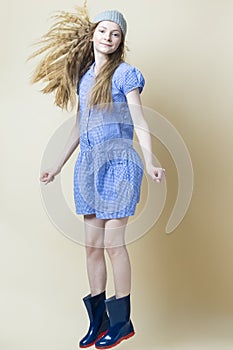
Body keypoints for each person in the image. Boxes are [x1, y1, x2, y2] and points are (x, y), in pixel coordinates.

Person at [30, 3, 165, 349]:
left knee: (112, 244)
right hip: (88, 167)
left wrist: (149, 160)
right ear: (93, 35)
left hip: (119, 165)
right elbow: (79, 125)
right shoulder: (84, 77)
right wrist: (58, 165)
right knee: (91, 247)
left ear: (121, 41)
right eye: (103, 30)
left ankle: (122, 323)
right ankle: (99, 321)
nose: (108, 37)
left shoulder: (125, 75)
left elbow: (140, 121)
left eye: (115, 33)